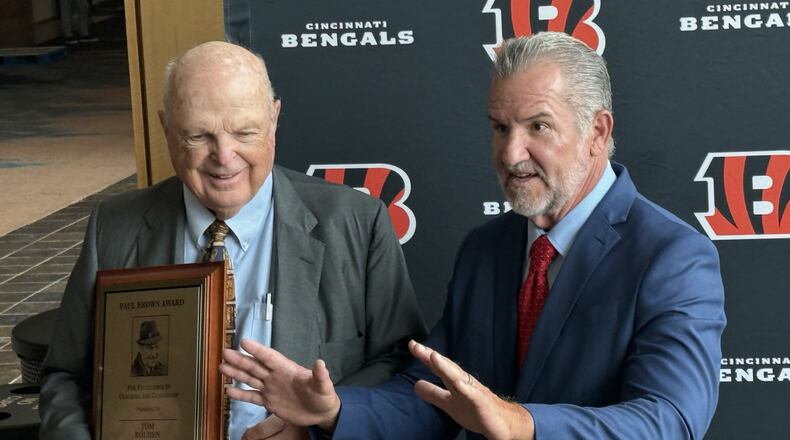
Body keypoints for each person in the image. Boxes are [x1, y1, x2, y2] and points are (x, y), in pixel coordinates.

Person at [219, 32, 727, 439]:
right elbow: (430, 397)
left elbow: (671, 421)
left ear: (597, 131)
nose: (510, 154)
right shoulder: (486, 251)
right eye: (500, 127)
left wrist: (523, 425)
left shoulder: (672, 256)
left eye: (538, 127)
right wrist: (333, 411)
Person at [38, 41, 426, 440]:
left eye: (245, 132)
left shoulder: (357, 223)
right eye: (198, 136)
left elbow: (399, 362)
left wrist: (319, 423)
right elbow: (67, 376)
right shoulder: (115, 227)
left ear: (274, 118)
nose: (224, 156)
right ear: (166, 129)